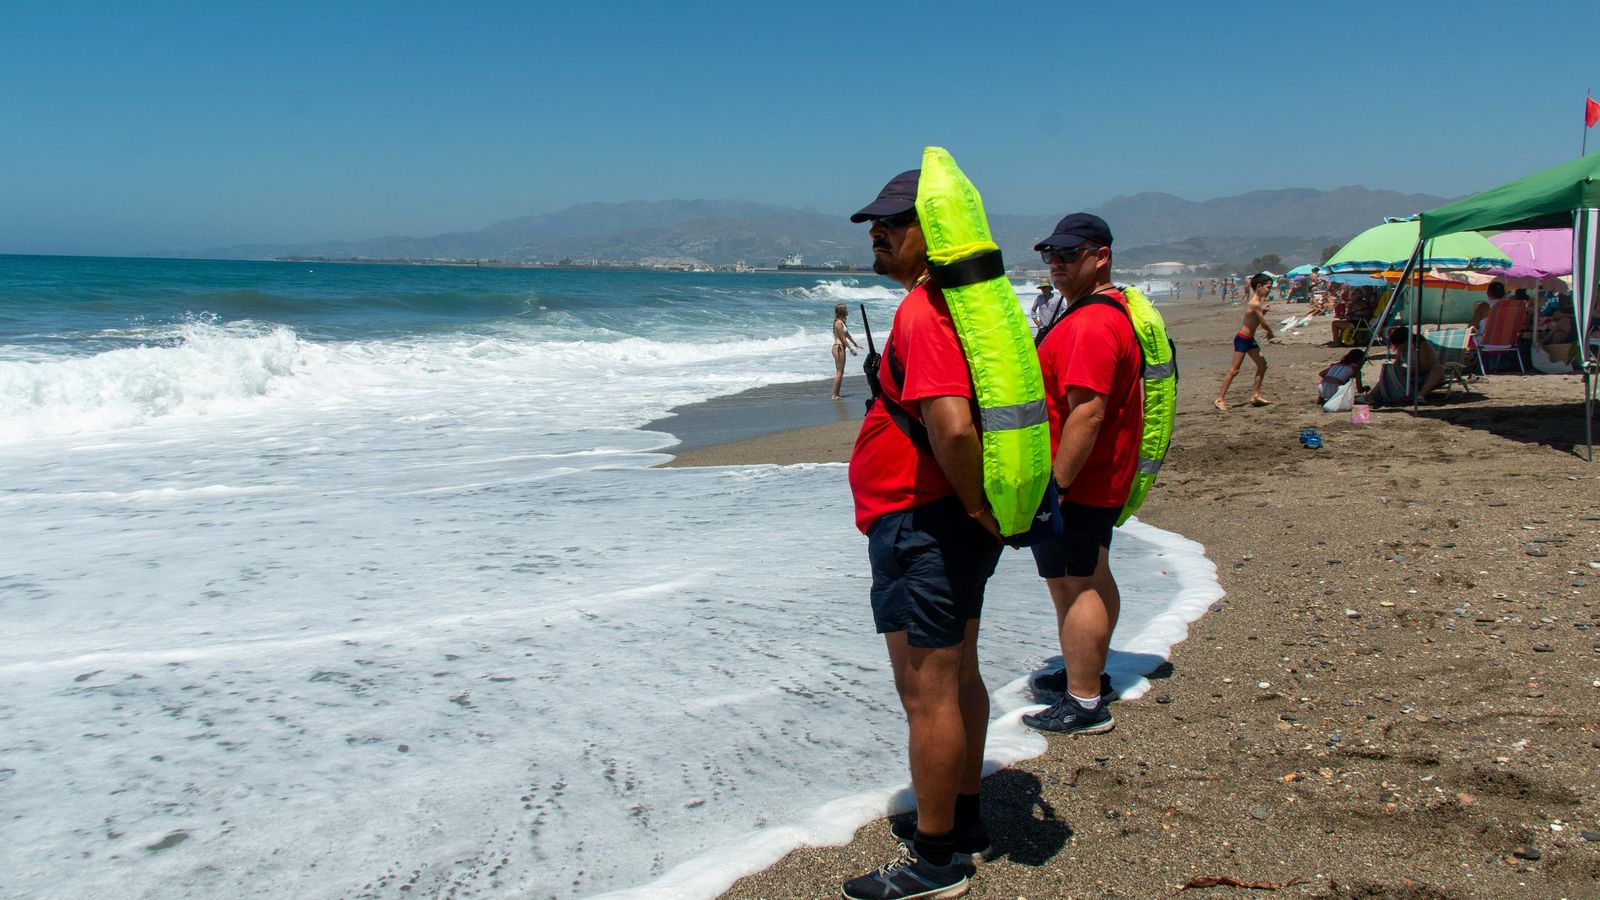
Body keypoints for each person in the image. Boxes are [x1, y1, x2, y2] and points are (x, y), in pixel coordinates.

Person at [843, 170, 1002, 900]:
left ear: (932, 231)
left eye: (893, 224)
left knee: (927, 691)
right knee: (958, 674)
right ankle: (961, 819)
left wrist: (971, 505)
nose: (878, 234)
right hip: (941, 523)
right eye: (874, 225)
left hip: (924, 524)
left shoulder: (922, 312)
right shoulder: (951, 305)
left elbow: (953, 427)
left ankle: (935, 862)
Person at [1021, 213, 1142, 737]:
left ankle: (1085, 702)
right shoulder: (1104, 313)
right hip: (1099, 479)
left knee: (1075, 584)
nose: (1056, 263)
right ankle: (1088, 673)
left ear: (1101, 256)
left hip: (1080, 485)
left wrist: (1058, 487)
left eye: (1069, 255)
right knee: (1090, 575)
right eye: (1051, 255)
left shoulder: (1091, 323)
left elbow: (1087, 412)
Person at [1214, 272, 1276, 410]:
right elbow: (1263, 323)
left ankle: (1255, 395)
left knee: (1262, 365)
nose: (1269, 290)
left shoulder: (1257, 304)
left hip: (1250, 339)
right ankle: (1220, 399)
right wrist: (1270, 331)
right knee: (1234, 370)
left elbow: (1254, 319)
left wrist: (1263, 311)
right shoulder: (1254, 303)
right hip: (1242, 339)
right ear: (1259, 286)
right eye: (1268, 287)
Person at [1362, 326, 1443, 405]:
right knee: (1388, 370)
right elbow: (1397, 363)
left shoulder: (1421, 345)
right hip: (1411, 376)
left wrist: (1410, 371)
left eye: (1398, 345)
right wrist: (1391, 372)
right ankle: (1372, 395)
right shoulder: (1403, 348)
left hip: (1426, 376)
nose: (1397, 348)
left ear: (1405, 342)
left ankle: (1420, 396)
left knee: (1438, 368)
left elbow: (1425, 367)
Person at [830, 303, 861, 400]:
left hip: (840, 348)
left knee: (841, 372)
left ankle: (837, 394)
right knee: (839, 372)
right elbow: (842, 338)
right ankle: (834, 395)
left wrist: (855, 344)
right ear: (842, 311)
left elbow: (847, 335)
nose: (847, 310)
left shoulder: (842, 322)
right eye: (846, 309)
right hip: (839, 347)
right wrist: (851, 349)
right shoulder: (838, 322)